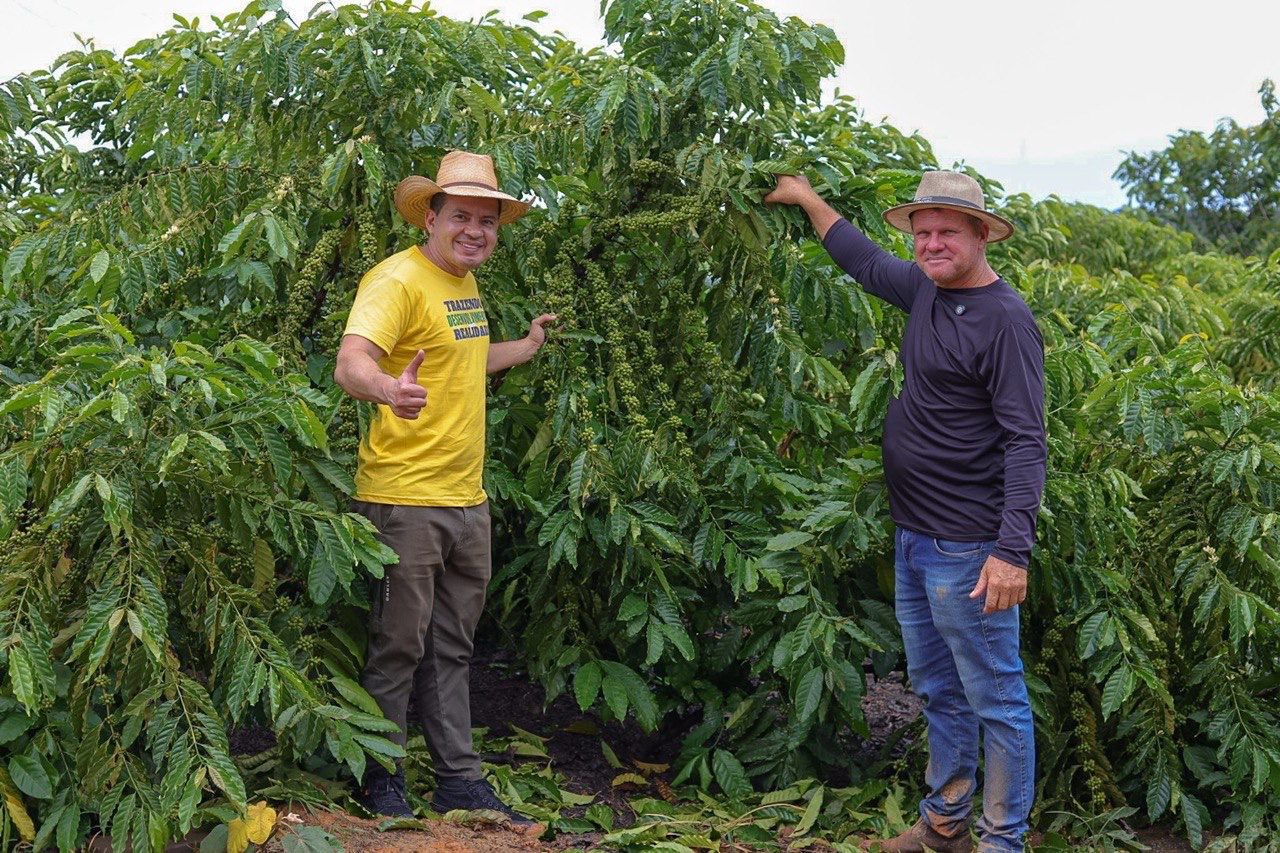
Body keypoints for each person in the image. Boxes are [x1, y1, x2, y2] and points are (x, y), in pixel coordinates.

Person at [766, 170, 1046, 853]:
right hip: (915, 535)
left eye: (948, 230)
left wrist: (1012, 550)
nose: (931, 243)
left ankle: (1002, 842)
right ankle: (944, 824)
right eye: (922, 232)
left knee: (997, 698)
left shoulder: (1005, 321)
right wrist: (806, 196)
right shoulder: (925, 289)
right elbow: (860, 256)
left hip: (969, 546)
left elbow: (1026, 440)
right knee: (936, 687)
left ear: (982, 234)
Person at [334, 150, 556, 822]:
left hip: (466, 500)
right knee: (398, 643)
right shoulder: (396, 279)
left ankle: (457, 778)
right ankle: (379, 776)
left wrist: (522, 347)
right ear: (429, 216)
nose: (475, 230)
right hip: (405, 497)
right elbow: (352, 362)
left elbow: (464, 358)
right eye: (461, 216)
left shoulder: (462, 284)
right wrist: (386, 389)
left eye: (486, 220)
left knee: (453, 646)